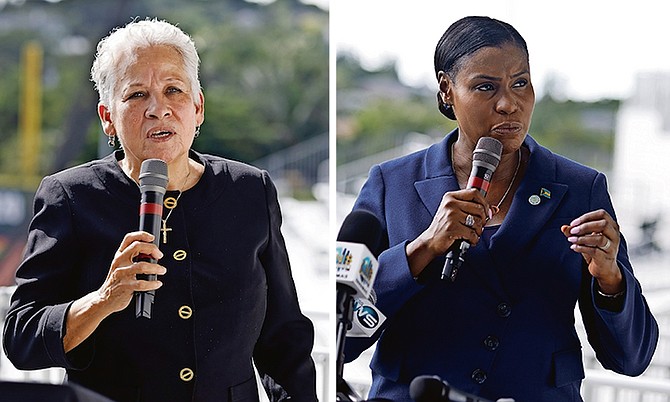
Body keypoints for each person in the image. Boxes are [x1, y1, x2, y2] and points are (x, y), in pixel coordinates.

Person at [343, 16, 658, 402]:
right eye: (486, 87)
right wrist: (421, 249)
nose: (509, 104)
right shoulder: (391, 184)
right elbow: (345, 339)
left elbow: (633, 358)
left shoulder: (581, 188)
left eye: (520, 83)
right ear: (447, 91)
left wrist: (610, 280)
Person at [3, 19, 317, 402]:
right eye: (136, 95)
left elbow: (284, 338)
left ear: (198, 107)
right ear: (108, 118)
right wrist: (102, 300)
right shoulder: (70, 197)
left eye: (174, 90)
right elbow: (22, 336)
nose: (158, 109)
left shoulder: (250, 191)